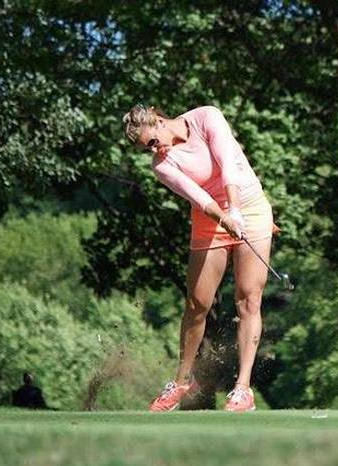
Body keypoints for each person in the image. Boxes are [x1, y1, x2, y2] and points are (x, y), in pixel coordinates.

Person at [122, 104, 276, 412]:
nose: (155, 149)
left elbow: (227, 163)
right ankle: (181, 381)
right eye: (147, 149)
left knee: (248, 300)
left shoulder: (206, 116)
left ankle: (243, 389)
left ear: (158, 120)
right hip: (210, 221)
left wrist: (235, 209)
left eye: (153, 141)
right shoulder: (161, 165)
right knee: (197, 305)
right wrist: (225, 217)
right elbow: (199, 197)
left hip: (251, 208)